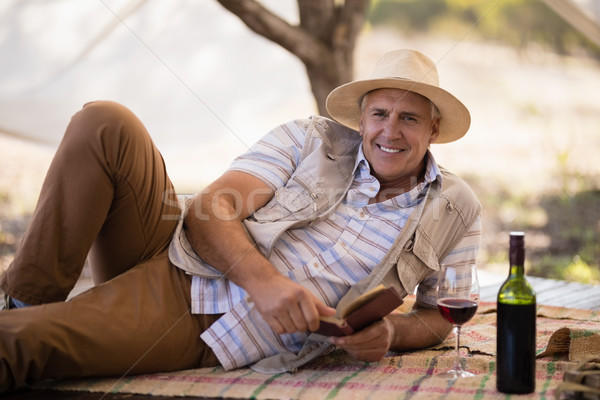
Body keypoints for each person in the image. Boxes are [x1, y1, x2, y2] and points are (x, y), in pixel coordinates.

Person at [0, 49, 481, 391]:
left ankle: (24, 323)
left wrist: (393, 333)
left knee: (20, 344)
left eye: (410, 119)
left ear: (434, 128)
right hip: (183, 252)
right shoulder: (309, 139)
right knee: (104, 121)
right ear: (361, 119)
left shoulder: (454, 207)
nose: (390, 132)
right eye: (380, 113)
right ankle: (24, 300)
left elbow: (439, 314)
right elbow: (212, 209)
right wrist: (266, 283)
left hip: (199, 313)